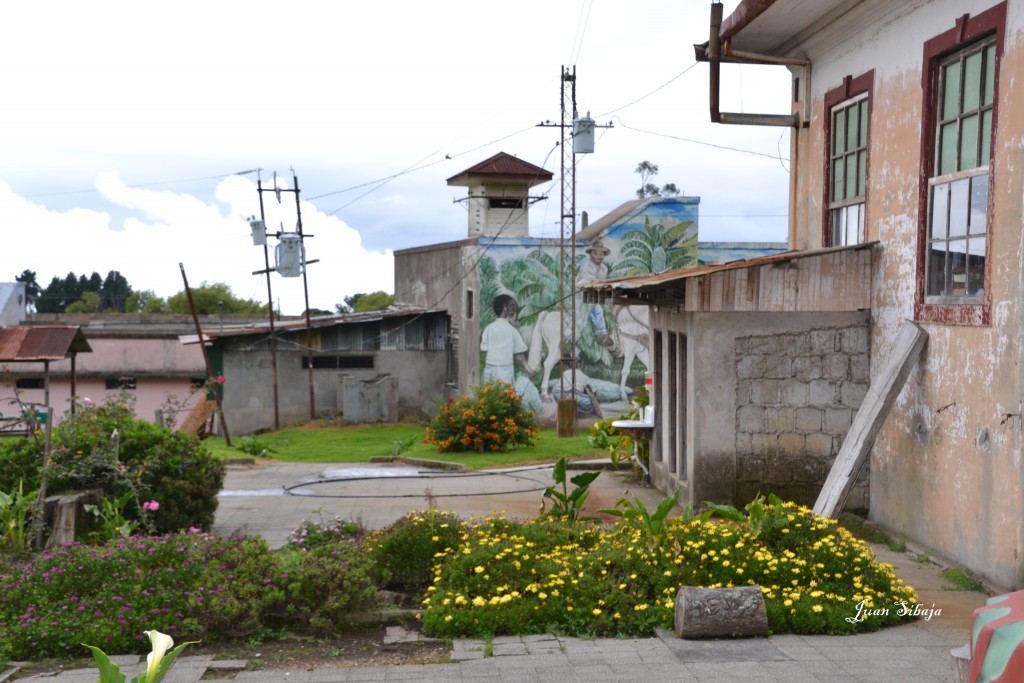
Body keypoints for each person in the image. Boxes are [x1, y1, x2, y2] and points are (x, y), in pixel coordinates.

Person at [481, 294, 534, 384]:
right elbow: (519, 355)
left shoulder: (488, 328)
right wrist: (529, 370)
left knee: (489, 396)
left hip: (489, 370)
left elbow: (484, 349)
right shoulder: (512, 330)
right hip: (505, 371)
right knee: (506, 397)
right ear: (505, 307)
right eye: (512, 305)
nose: (514, 308)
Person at [576, 239, 614, 347]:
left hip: (598, 294)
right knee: (597, 309)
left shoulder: (604, 269)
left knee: (609, 306)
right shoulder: (585, 266)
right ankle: (601, 333)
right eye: (596, 253)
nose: (599, 256)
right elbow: (588, 282)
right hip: (583, 295)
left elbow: (603, 284)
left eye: (601, 254)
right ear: (591, 254)